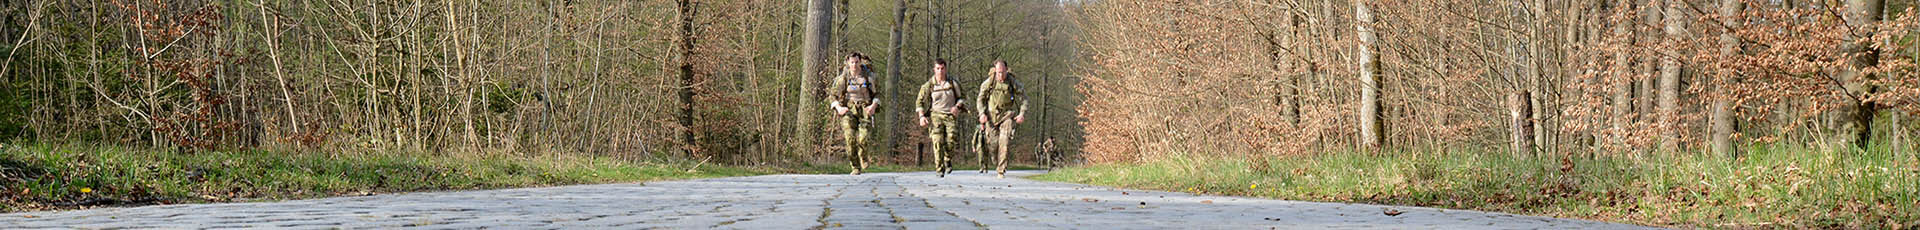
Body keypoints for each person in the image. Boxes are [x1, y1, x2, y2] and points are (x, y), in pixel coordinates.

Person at [975, 60, 1027, 178]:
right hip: (991, 117)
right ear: (995, 71)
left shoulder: (1012, 82)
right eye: (998, 72)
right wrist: (982, 113)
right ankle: (996, 162)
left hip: (1006, 116)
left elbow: (1024, 98)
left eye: (1003, 72)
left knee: (1005, 142)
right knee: (993, 145)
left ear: (1006, 70)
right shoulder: (989, 82)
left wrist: (1022, 113)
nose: (1000, 75)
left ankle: (1001, 170)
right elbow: (980, 99)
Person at [830, 53, 879, 175]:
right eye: (852, 62)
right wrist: (838, 108)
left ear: (860, 62)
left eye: (856, 62)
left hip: (865, 108)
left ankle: (863, 155)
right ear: (848, 63)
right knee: (850, 138)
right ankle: (855, 166)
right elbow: (832, 96)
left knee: (864, 138)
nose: (854, 65)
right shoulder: (844, 78)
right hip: (849, 109)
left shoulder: (869, 77)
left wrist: (873, 106)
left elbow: (878, 94)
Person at [916, 59, 965, 177]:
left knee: (951, 139)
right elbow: (919, 101)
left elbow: (962, 98)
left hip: (950, 115)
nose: (940, 71)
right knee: (937, 141)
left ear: (946, 69)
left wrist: (957, 107)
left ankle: (948, 159)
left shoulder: (953, 83)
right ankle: (939, 168)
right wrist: (921, 116)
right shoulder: (929, 85)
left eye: (942, 68)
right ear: (934, 69)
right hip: (935, 115)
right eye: (938, 69)